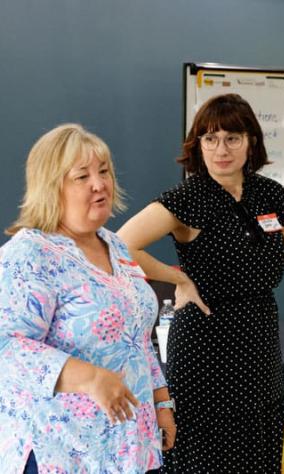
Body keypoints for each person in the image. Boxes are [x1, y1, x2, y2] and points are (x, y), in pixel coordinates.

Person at [118, 93, 284, 473]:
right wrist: (177, 278)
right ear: (198, 145)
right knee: (209, 459)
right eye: (210, 139)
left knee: (261, 455)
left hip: (260, 340)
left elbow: (282, 244)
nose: (221, 149)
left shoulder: (271, 194)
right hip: (207, 348)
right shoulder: (189, 198)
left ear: (252, 142)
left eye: (232, 138)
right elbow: (121, 245)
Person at [0, 124, 176, 473]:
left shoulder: (116, 244)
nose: (99, 184)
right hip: (63, 451)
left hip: (131, 445)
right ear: (52, 187)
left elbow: (137, 339)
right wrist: (89, 378)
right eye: (82, 176)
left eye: (104, 172)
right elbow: (6, 347)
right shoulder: (30, 254)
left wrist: (161, 402)